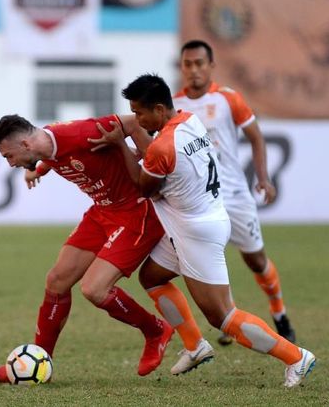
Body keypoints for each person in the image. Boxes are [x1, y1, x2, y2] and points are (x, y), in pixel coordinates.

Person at [94, 74, 315, 388]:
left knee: (223, 316)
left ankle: (295, 357)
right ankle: (195, 346)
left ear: (159, 109)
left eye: (140, 113)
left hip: (196, 233)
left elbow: (142, 187)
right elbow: (159, 163)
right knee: (152, 277)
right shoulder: (190, 121)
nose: (138, 120)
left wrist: (119, 143)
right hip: (203, 218)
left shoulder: (162, 146)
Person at [0, 114, 175, 382]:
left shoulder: (79, 133)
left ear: (26, 145)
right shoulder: (44, 145)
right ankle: (40, 363)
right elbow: (53, 158)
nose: (10, 163)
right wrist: (38, 170)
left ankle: (156, 330)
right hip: (103, 212)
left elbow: (132, 123)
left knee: (94, 289)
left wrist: (152, 165)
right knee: (56, 281)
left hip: (136, 213)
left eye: (9, 156)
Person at [174, 39, 296, 346]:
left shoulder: (228, 99)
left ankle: (279, 312)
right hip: (199, 200)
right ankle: (227, 317)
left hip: (236, 196)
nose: (193, 70)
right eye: (187, 64)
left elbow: (256, 137)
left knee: (256, 261)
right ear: (182, 67)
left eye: (199, 63)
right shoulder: (175, 105)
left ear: (211, 66)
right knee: (206, 259)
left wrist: (264, 178)